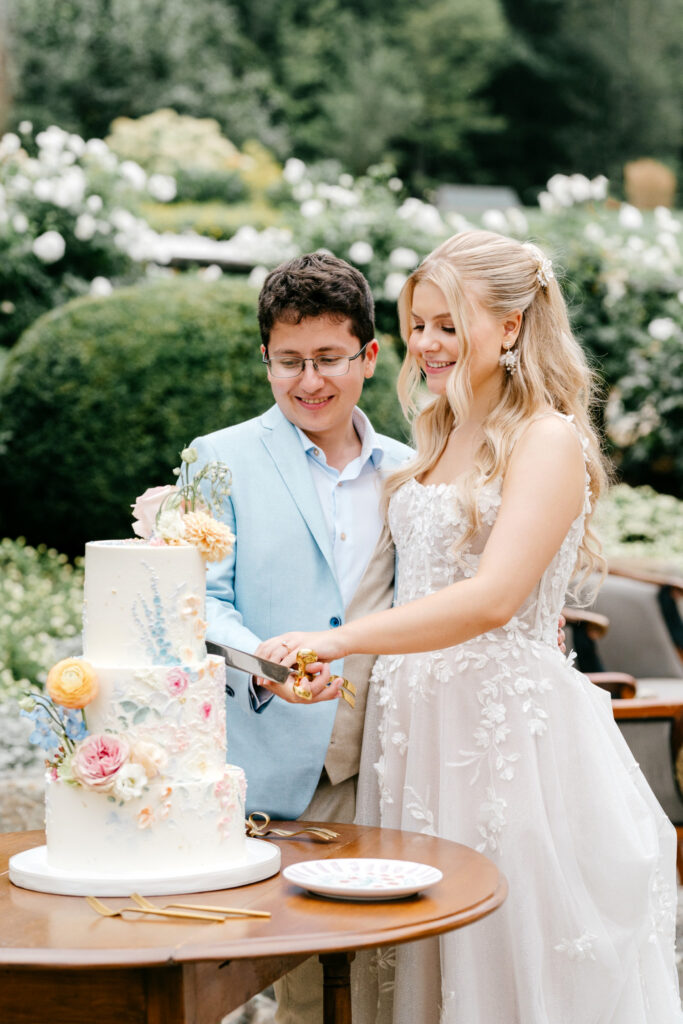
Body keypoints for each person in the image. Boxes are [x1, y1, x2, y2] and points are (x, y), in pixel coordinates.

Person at [261, 230, 683, 1023]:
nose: (426, 343)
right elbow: (400, 594)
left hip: (501, 737)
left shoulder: (545, 439)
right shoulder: (435, 432)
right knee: (419, 951)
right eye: (418, 323)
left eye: (449, 324)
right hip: (411, 725)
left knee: (505, 944)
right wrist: (330, 662)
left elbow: (492, 599)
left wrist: (340, 643)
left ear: (512, 327)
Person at [188, 251, 412, 1024]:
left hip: (387, 755)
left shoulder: (412, 474)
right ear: (265, 359)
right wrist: (265, 663)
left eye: (327, 359)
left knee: (387, 965)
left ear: (369, 357)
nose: (308, 381)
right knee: (300, 978)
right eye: (287, 362)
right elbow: (200, 602)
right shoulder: (217, 459)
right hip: (270, 758)